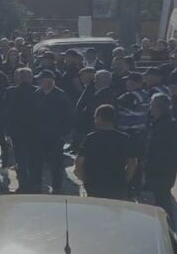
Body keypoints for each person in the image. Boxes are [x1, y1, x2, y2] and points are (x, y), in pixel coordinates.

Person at [74, 104, 137, 200]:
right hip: (117, 184)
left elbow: (79, 162)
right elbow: (132, 163)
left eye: (95, 118)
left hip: (94, 184)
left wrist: (84, 179)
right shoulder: (124, 138)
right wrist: (125, 180)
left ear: (99, 118)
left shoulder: (91, 138)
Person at [29, 70, 73, 194]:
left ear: (49, 81)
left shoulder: (61, 96)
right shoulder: (36, 94)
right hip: (39, 136)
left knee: (56, 166)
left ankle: (57, 189)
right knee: (36, 164)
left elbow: (68, 117)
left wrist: (62, 133)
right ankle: (36, 188)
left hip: (55, 137)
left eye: (41, 80)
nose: (39, 82)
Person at [144, 93, 177, 223]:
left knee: (162, 203)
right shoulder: (161, 124)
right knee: (162, 200)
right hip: (164, 169)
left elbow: (158, 150)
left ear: (158, 107)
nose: (150, 107)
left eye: (151, 104)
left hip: (160, 170)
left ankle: (168, 230)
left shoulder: (166, 126)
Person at [4, 68, 38, 193]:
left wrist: (7, 130)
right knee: (34, 158)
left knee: (20, 158)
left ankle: (23, 184)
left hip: (17, 131)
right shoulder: (37, 92)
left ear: (18, 78)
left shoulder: (11, 92)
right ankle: (35, 183)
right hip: (34, 130)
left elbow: (6, 112)